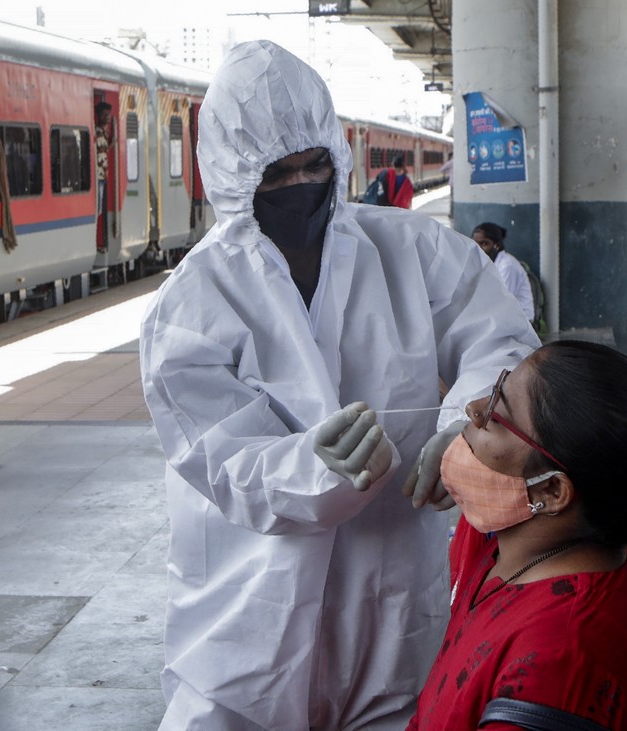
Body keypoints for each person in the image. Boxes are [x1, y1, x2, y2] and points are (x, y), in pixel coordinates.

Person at [139, 40, 540, 730]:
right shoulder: (192, 303)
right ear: (233, 175)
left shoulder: (409, 249)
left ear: (337, 155)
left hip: (390, 602)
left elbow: (498, 338)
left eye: (314, 163)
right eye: (277, 173)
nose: (302, 184)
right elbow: (217, 454)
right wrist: (308, 467)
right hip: (245, 617)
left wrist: (464, 430)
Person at [406, 340, 627, 731]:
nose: (473, 409)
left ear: (551, 492)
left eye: (497, 414)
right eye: (497, 386)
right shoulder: (504, 542)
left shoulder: (556, 670)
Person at [472, 222, 535, 325]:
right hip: (500, 319)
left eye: (484, 244)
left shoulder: (508, 266)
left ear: (497, 245)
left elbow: (501, 303)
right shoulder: (484, 264)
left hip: (521, 324)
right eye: (475, 244)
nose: (478, 249)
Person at [94, 101, 112, 251]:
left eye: (108, 115)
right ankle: (93, 241)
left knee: (99, 209)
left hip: (102, 176)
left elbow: (103, 152)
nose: (107, 117)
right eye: (104, 115)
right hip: (98, 177)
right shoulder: (98, 132)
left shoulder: (103, 133)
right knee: (97, 209)